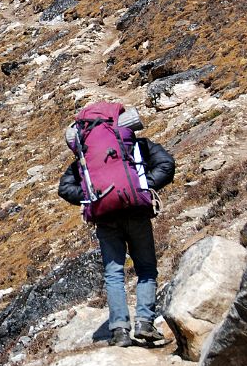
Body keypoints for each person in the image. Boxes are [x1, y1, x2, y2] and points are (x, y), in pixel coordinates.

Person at [58, 128, 176, 346]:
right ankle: (144, 323)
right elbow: (167, 164)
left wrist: (95, 197)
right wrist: (141, 187)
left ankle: (120, 330)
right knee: (146, 269)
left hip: (105, 218)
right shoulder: (137, 146)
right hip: (137, 214)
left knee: (114, 274)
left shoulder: (87, 160)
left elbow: (65, 188)